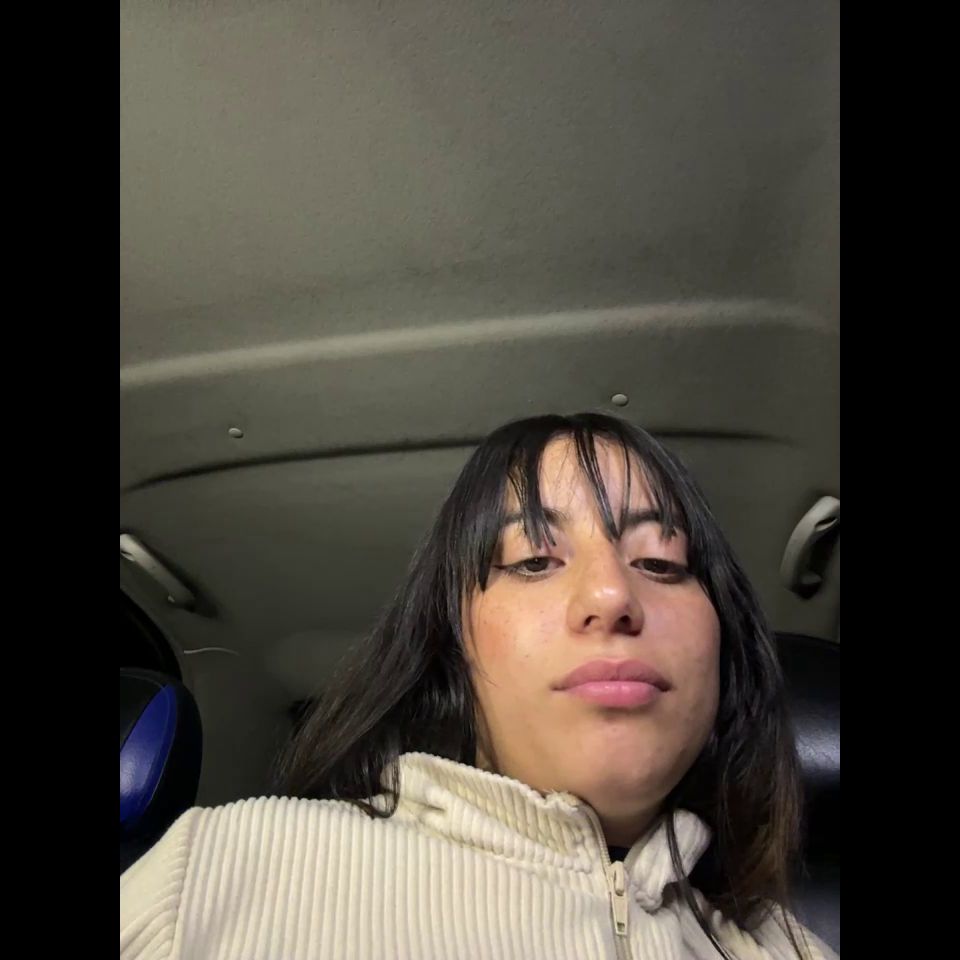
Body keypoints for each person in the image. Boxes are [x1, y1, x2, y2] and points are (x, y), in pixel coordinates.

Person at [121, 412, 837, 959]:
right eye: (532, 561)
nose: (613, 594)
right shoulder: (212, 876)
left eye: (661, 562)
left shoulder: (787, 948)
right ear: (453, 647)